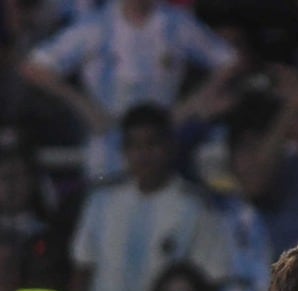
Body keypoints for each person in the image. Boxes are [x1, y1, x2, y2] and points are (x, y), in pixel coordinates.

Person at [69, 104, 230, 291]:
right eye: (134, 146)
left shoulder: (194, 208)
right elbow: (83, 270)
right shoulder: (101, 202)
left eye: (152, 144)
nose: (143, 155)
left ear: (169, 147)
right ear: (124, 151)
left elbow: (209, 281)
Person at [20, 0, 238, 182]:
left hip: (162, 152)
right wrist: (82, 105)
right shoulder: (96, 26)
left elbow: (229, 61)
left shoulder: (176, 24)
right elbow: (35, 67)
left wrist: (190, 106)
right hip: (108, 154)